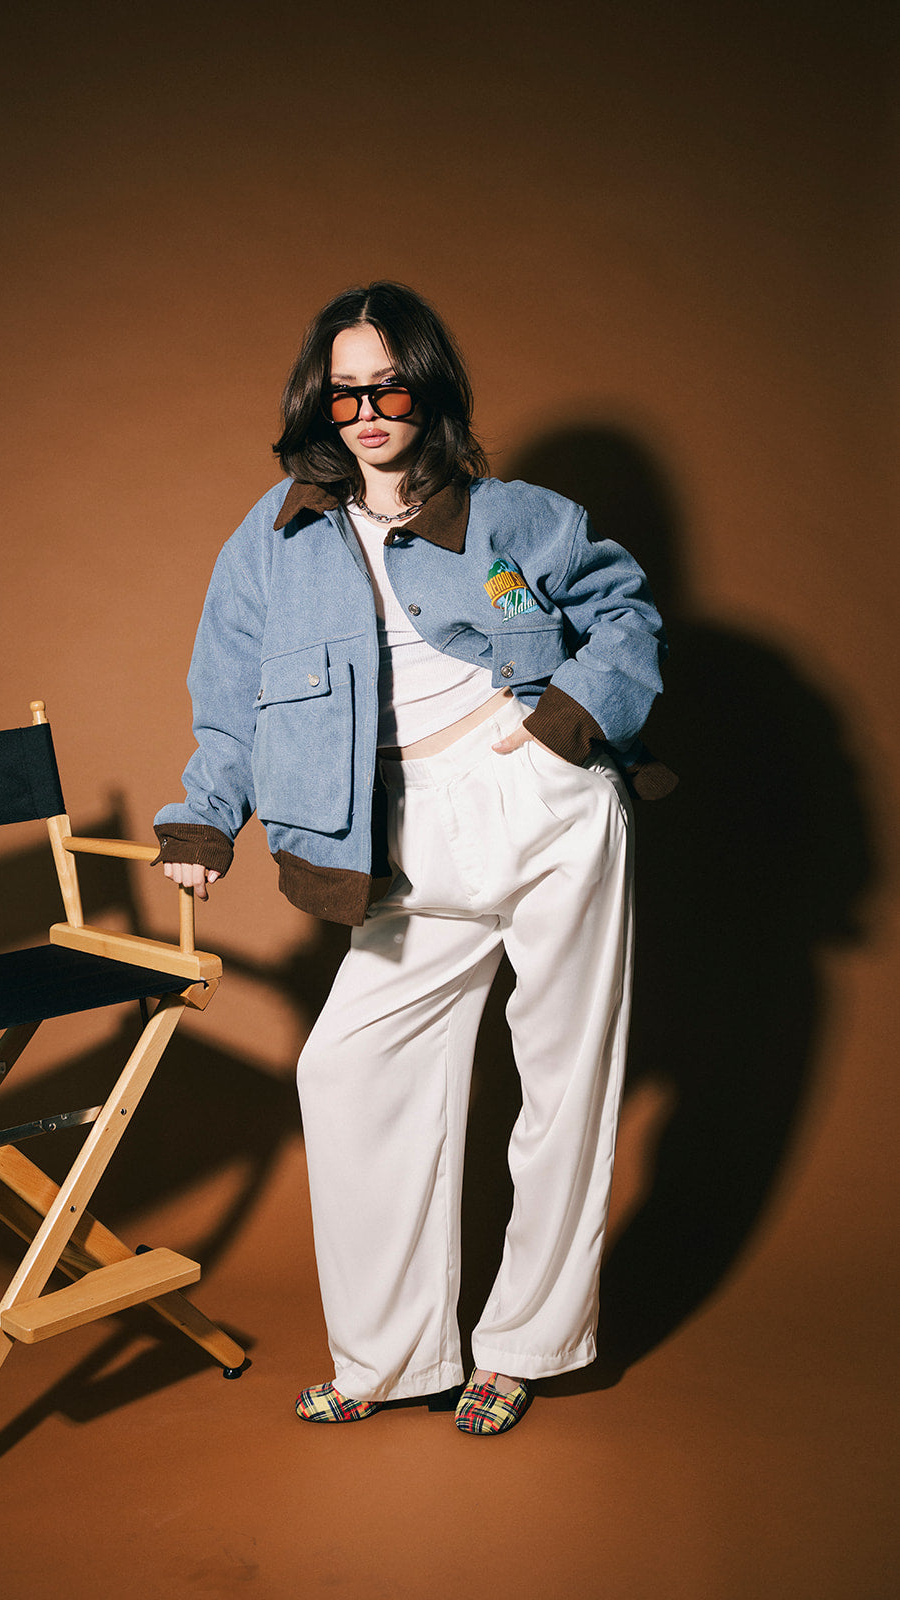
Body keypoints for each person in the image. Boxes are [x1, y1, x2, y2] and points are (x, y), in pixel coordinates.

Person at [154, 281, 672, 1435]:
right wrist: (204, 821)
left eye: (388, 384)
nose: (367, 409)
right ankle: (390, 1356)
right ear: (317, 398)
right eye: (343, 389)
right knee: (346, 1070)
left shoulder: (519, 515)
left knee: (563, 1079)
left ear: (425, 389)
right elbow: (230, 697)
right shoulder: (274, 537)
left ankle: (522, 1344)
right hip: (405, 829)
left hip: (543, 804)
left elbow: (625, 614)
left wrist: (565, 725)